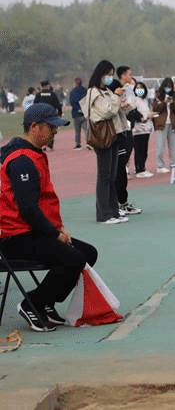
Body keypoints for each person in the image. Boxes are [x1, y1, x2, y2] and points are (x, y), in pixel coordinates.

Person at [0, 103, 98, 331]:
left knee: (87, 253)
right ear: (34, 127)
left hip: (31, 232)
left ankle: (45, 301)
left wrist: (57, 228)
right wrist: (54, 233)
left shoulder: (32, 154)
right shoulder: (21, 160)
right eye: (51, 127)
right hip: (14, 238)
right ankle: (33, 303)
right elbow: (28, 209)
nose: (55, 131)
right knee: (73, 258)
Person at [86, 60, 129, 224]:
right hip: (103, 136)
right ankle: (104, 214)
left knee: (112, 176)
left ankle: (114, 211)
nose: (110, 77)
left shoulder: (106, 91)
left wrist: (121, 102)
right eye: (108, 74)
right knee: (104, 176)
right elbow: (107, 111)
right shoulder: (94, 92)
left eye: (111, 74)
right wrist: (116, 97)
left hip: (114, 134)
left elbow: (115, 108)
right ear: (100, 74)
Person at [110, 66, 140, 216]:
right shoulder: (114, 87)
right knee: (118, 169)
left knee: (122, 166)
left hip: (125, 128)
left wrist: (127, 103)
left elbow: (130, 105)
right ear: (122, 75)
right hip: (116, 131)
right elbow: (111, 108)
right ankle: (117, 203)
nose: (131, 76)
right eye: (129, 74)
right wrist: (119, 99)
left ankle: (123, 202)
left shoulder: (127, 88)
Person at [152, 77, 175, 174]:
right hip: (162, 124)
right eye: (166, 87)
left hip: (172, 124)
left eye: (170, 87)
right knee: (160, 145)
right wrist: (164, 102)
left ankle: (174, 163)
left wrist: (172, 103)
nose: (168, 89)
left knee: (174, 146)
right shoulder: (158, 96)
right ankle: (160, 165)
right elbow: (156, 108)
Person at [131, 81, 155, 178]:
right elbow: (134, 113)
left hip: (146, 128)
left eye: (141, 88)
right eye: (137, 88)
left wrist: (150, 115)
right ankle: (139, 169)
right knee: (139, 150)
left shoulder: (146, 100)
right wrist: (143, 117)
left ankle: (142, 167)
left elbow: (148, 111)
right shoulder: (134, 100)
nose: (139, 90)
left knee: (144, 150)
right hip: (138, 129)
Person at [33, 80, 62, 150]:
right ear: (48, 86)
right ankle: (50, 144)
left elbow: (35, 105)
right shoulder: (52, 94)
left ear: (41, 86)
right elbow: (57, 104)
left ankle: (43, 145)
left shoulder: (38, 95)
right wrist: (60, 113)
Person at [69, 78, 88, 150]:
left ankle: (78, 144)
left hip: (76, 113)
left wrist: (78, 109)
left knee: (77, 130)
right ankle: (88, 142)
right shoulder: (85, 90)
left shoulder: (72, 92)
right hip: (84, 112)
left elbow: (72, 102)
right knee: (86, 129)